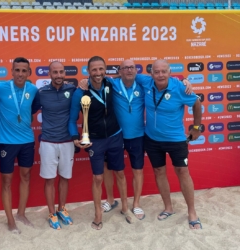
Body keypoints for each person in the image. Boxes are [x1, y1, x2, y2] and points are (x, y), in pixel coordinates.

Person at [79, 60, 193, 221]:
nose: (128, 70)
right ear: (119, 71)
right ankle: (111, 199)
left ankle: (137, 203)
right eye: (125, 68)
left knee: (137, 169)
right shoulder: (111, 83)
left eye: (132, 67)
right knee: (108, 168)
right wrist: (85, 80)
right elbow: (95, 78)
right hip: (115, 135)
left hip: (138, 135)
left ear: (136, 70)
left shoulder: (143, 83)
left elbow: (165, 77)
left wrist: (184, 80)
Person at [137, 59, 202, 229]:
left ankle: (192, 212)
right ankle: (168, 208)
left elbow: (196, 103)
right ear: (151, 74)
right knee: (159, 171)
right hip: (152, 139)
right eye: (156, 72)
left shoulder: (180, 87)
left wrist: (196, 127)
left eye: (163, 71)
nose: (160, 75)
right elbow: (127, 75)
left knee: (183, 172)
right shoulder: (145, 81)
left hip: (175, 140)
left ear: (169, 73)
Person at [69, 56, 131, 230]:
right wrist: (75, 137)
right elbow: (72, 118)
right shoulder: (80, 92)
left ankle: (125, 207)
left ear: (105, 70)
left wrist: (183, 81)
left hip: (115, 136)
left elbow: (132, 77)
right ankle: (98, 213)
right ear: (88, 71)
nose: (98, 73)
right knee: (97, 178)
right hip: (94, 140)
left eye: (101, 69)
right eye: (94, 70)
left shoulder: (111, 84)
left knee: (119, 172)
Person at [0, 57, 38, 234]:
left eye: (24, 70)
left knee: (26, 176)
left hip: (27, 140)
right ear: (12, 71)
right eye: (17, 70)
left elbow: (33, 108)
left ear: (29, 73)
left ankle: (21, 214)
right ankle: (10, 220)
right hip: (7, 142)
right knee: (7, 181)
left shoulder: (32, 89)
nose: (20, 74)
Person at [32, 61, 77, 230]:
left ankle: (62, 208)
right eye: (55, 72)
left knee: (65, 177)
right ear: (49, 74)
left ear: (64, 73)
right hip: (48, 142)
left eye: (61, 72)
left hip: (67, 142)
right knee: (50, 179)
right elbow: (29, 110)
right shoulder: (41, 93)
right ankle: (51, 212)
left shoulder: (72, 90)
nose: (58, 75)